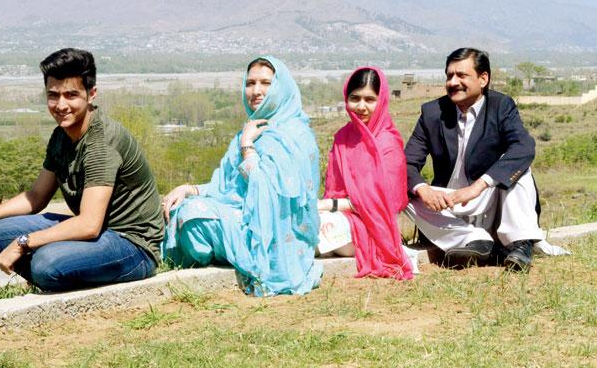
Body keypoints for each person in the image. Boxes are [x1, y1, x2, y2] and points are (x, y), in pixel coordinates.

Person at [0, 48, 164, 291]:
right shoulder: (61, 137)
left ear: (91, 95)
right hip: (99, 234)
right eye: (53, 95)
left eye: (71, 95)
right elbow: (36, 197)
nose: (61, 105)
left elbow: (89, 225)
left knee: (46, 263)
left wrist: (24, 243)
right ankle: (62, 272)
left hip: (132, 246)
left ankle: (55, 274)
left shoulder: (101, 143)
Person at [162, 56, 322, 296]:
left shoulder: (294, 135)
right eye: (250, 83)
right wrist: (189, 188)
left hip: (276, 234)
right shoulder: (249, 130)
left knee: (192, 216)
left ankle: (241, 253)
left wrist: (248, 146)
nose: (256, 91)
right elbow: (226, 187)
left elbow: (266, 192)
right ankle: (231, 248)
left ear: (281, 88)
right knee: (181, 207)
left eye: (266, 83)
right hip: (241, 217)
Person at [404, 47, 544, 271]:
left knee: (519, 170)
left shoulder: (501, 107)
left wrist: (478, 186)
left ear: (483, 78)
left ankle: (519, 245)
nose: (453, 82)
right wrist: (423, 189)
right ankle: (476, 240)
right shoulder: (432, 113)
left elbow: (524, 147)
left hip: (486, 198)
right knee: (402, 189)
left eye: (461, 75)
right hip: (448, 206)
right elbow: (407, 163)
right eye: (449, 76)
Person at [317, 67, 416, 279]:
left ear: (381, 101)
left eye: (370, 99)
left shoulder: (388, 143)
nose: (361, 107)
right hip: (342, 219)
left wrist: (329, 205)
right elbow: (334, 190)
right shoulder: (343, 138)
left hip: (375, 228)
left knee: (313, 228)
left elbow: (385, 202)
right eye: (355, 98)